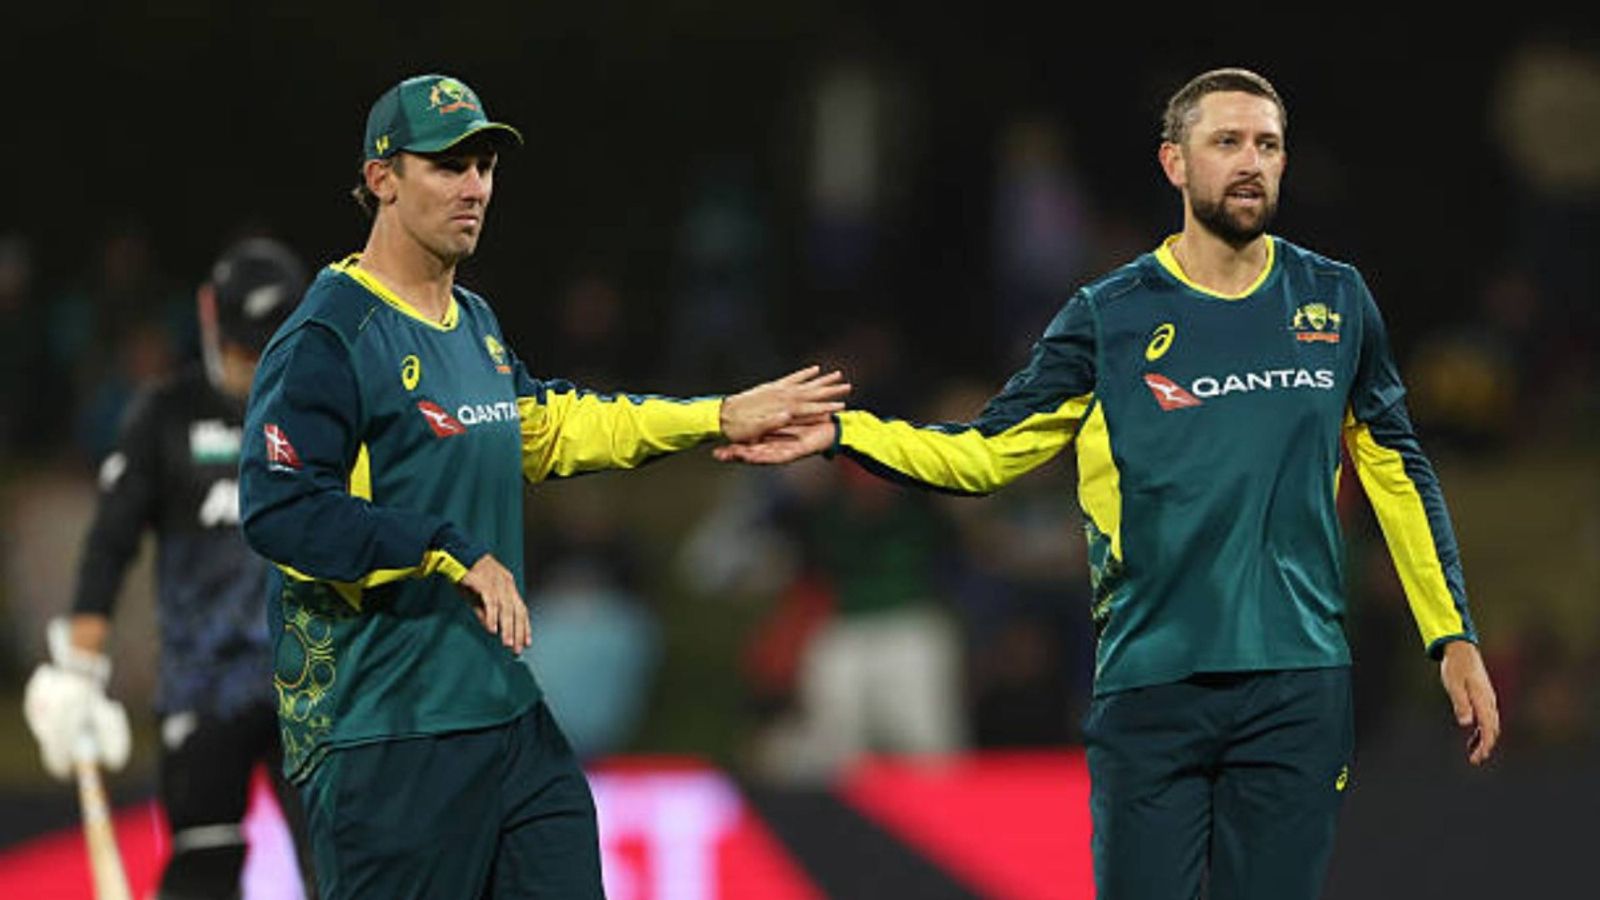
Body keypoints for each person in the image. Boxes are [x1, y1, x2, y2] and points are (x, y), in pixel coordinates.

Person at [718, 66, 1502, 900]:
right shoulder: (1110, 316)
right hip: (1153, 688)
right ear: (1174, 163)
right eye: (1226, 142)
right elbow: (984, 453)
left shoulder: (1335, 301)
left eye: (1268, 145)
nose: (1250, 162)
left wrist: (1450, 636)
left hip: (1297, 685)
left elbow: (1396, 471)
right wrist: (845, 431)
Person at [235, 72, 848, 900]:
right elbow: (280, 507)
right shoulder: (331, 336)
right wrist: (443, 548)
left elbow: (551, 425)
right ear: (381, 178)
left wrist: (717, 416)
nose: (475, 187)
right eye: (448, 165)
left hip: (507, 723)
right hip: (389, 734)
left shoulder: (475, 325)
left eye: (484, 165)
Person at [23, 236, 321, 899]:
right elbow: (110, 542)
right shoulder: (165, 415)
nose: (252, 364)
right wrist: (79, 667)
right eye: (245, 343)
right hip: (203, 686)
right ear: (209, 313)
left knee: (341, 871)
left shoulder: (324, 412)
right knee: (202, 875)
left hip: (311, 684)